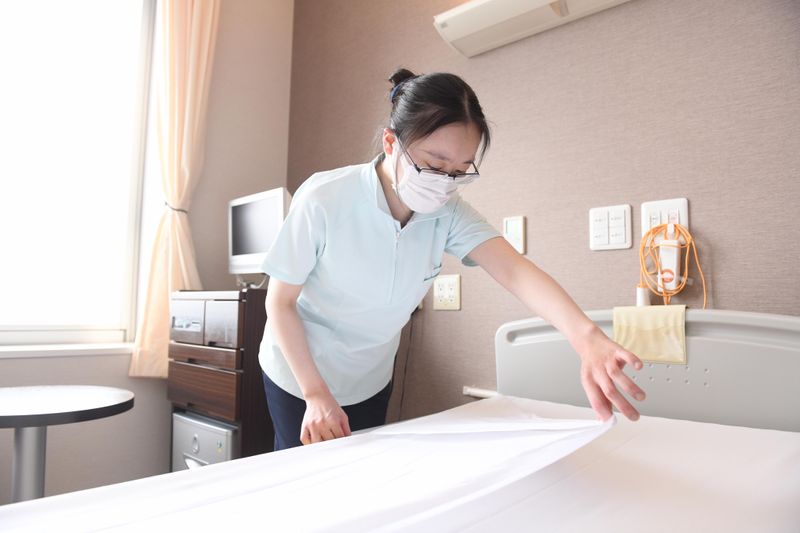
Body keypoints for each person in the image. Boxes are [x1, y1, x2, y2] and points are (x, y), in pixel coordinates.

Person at [258, 68, 647, 451]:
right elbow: (280, 302)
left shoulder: (448, 213)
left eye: (459, 171)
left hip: (369, 379)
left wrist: (586, 338)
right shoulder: (325, 198)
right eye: (434, 165)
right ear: (391, 143)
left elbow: (515, 271)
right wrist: (315, 393)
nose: (445, 183)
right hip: (300, 374)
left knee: (359, 478)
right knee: (301, 481)